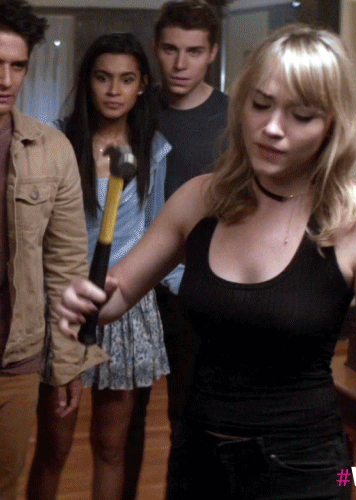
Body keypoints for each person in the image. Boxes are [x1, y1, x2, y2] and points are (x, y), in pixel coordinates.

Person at [58, 24, 356, 500]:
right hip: (197, 460)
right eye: (261, 104)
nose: (272, 128)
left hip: (303, 470)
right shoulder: (200, 199)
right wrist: (83, 298)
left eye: (301, 115)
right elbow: (115, 295)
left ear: (333, 124)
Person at [27, 33, 170, 500]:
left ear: (142, 86)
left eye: (126, 79)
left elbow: (157, 230)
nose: (113, 90)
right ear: (87, 81)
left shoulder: (154, 147)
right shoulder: (57, 141)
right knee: (54, 447)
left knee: (111, 447)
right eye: (103, 77)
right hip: (65, 303)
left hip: (125, 303)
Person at [0, 1, 108, 499]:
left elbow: (67, 267)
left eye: (18, 66)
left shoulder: (51, 149)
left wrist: (67, 361)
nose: (5, 80)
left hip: (15, 356)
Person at [123, 3, 229, 497]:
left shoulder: (234, 118)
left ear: (212, 53)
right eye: (170, 49)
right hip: (134, 282)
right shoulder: (134, 107)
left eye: (194, 51)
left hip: (200, 288)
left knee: (190, 420)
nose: (180, 64)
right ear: (155, 48)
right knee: (123, 421)